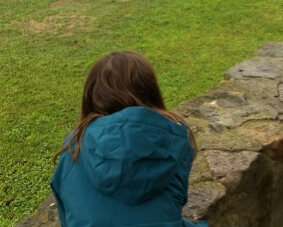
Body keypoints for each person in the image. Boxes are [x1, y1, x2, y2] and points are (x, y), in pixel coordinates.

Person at [51, 51, 206, 227]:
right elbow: (173, 203)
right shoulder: (176, 138)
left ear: (92, 95)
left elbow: (66, 206)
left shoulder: (75, 143)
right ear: (150, 92)